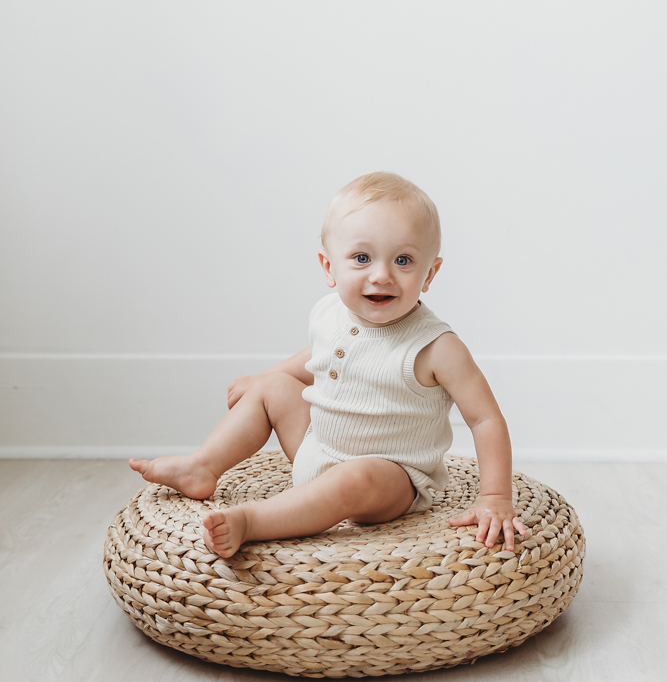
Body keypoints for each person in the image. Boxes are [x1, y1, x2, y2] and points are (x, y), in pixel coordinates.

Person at [130, 172, 527, 558]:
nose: (382, 275)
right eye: (361, 257)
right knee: (270, 389)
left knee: (358, 476)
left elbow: (485, 419)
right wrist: (265, 378)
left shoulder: (435, 347)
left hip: (389, 480)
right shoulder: (329, 313)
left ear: (430, 274)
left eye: (403, 260)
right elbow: (316, 357)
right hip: (316, 447)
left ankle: (253, 522)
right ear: (328, 267)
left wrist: (495, 497)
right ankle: (203, 466)